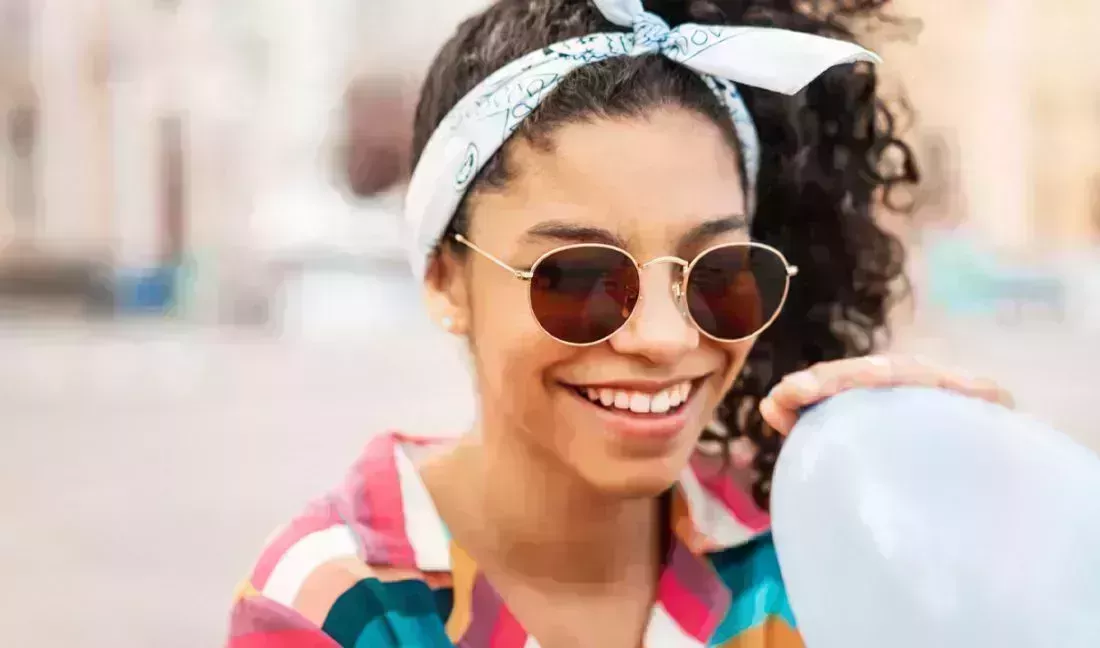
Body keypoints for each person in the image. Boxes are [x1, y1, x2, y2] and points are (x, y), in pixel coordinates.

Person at [226, 0, 1013, 645]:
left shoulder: (809, 547)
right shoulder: (338, 599)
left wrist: (960, 540)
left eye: (718, 274)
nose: (665, 338)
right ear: (444, 278)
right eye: (579, 278)